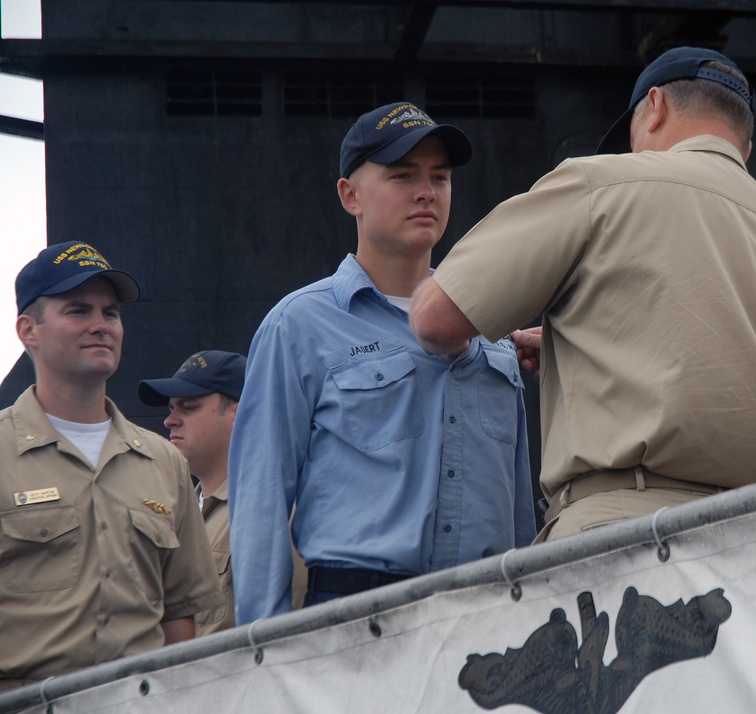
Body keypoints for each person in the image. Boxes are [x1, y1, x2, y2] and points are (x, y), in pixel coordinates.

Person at [410, 47, 756, 541]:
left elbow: (435, 319)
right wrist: (583, 341)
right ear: (745, 148)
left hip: (626, 539)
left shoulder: (601, 184)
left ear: (655, 107)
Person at [228, 102, 536, 623]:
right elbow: (260, 499)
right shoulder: (299, 327)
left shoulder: (493, 337)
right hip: (356, 621)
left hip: (486, 620)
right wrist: (267, 648)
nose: (427, 191)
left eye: (440, 177)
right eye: (403, 175)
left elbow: (519, 510)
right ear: (350, 195)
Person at [0, 242, 222, 690]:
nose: (101, 325)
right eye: (79, 311)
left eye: (111, 313)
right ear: (28, 330)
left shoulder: (164, 461)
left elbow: (180, 614)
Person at [138, 350, 307, 636]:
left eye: (188, 407)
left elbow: (295, 626)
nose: (170, 421)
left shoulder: (277, 510)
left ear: (240, 415)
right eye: (171, 409)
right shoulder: (173, 511)